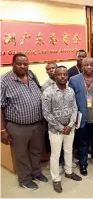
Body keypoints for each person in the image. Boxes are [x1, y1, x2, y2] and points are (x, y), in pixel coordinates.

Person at [1, 54, 48, 190]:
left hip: (37, 124)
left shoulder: (32, 75)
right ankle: (25, 179)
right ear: (12, 64)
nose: (23, 66)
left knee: (36, 150)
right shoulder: (4, 81)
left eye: (25, 64)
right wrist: (2, 130)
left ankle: (36, 172)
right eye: (19, 64)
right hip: (18, 126)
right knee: (21, 154)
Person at [42, 66, 82, 193]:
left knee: (68, 150)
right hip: (55, 130)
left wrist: (70, 125)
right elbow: (46, 113)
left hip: (69, 128)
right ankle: (56, 179)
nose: (62, 76)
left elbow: (75, 108)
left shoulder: (70, 90)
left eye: (65, 74)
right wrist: (60, 127)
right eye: (59, 74)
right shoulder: (48, 92)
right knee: (55, 155)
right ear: (55, 76)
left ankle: (69, 171)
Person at [69, 57, 93, 176]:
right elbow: (70, 100)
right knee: (82, 143)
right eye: (86, 65)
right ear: (81, 66)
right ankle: (83, 163)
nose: (89, 67)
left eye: (91, 64)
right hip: (81, 119)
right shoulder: (73, 80)